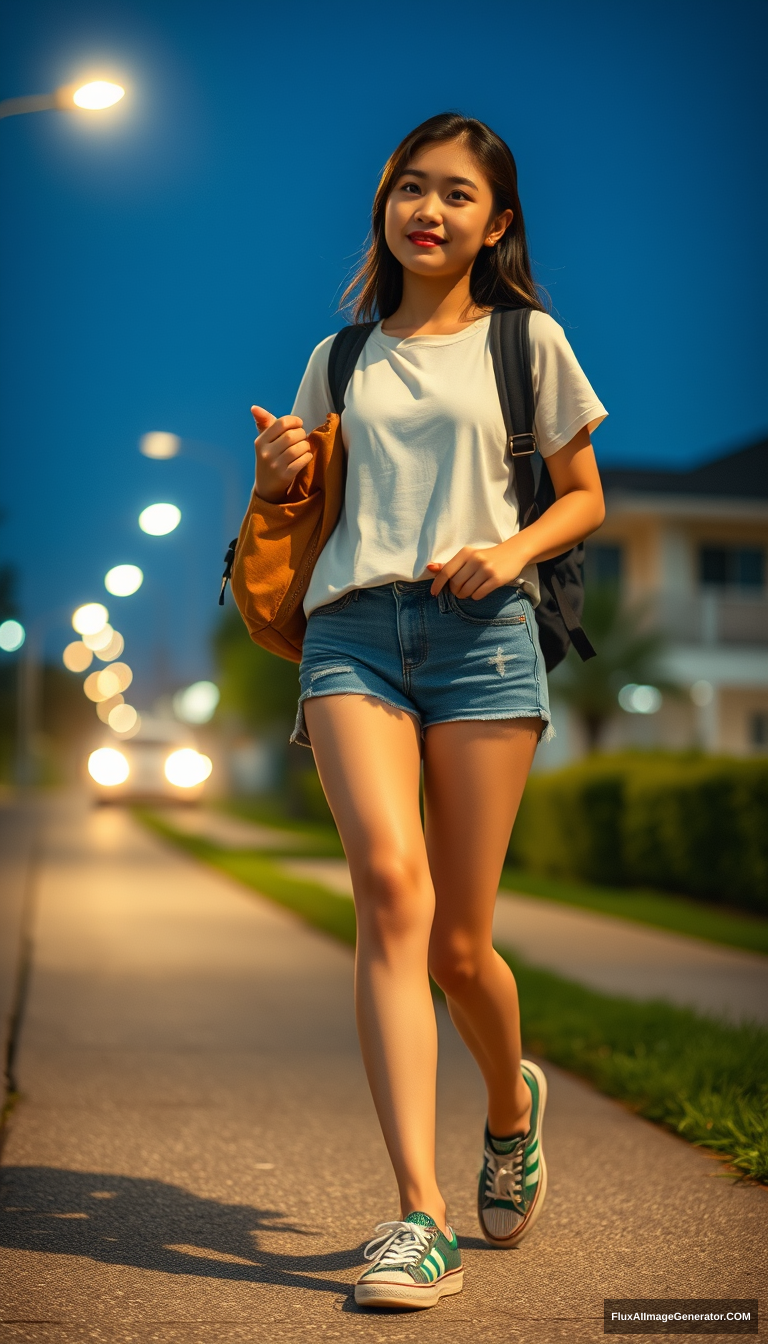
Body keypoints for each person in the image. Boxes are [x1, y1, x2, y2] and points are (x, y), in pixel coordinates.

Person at [250, 112, 607, 1311]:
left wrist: (509, 555)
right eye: (412, 188)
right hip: (354, 633)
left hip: (482, 643)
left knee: (461, 946)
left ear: (495, 224)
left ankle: (513, 1110)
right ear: (385, 209)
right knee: (389, 897)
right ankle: (418, 1216)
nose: (429, 210)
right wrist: (276, 481)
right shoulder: (338, 358)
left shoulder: (527, 342)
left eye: (457, 195)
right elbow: (306, 504)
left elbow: (584, 498)